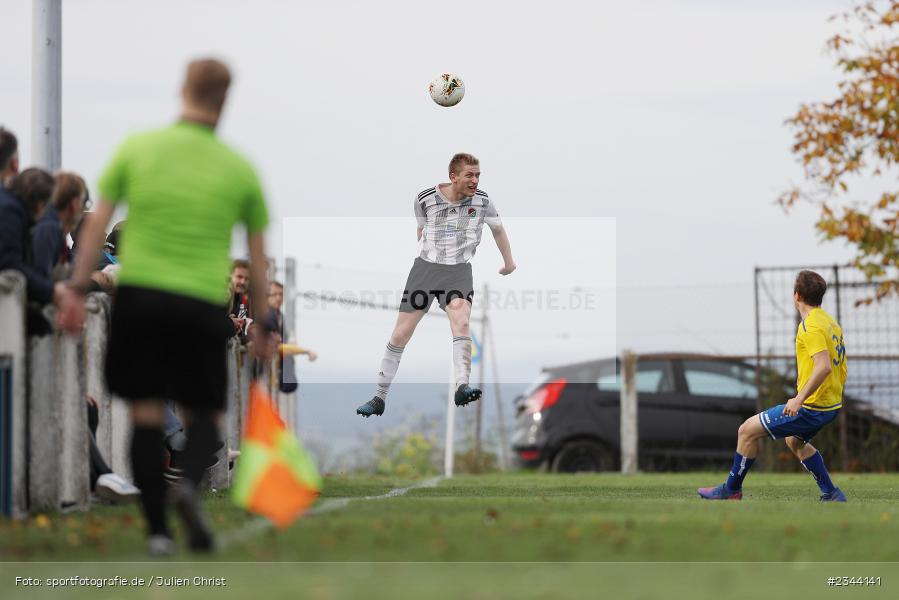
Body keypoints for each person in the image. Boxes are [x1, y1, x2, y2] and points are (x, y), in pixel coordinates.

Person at [58, 58, 274, 555]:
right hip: (199, 301)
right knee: (204, 419)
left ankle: (157, 532)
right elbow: (258, 260)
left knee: (146, 414)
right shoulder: (238, 166)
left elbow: (95, 226)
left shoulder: (139, 148)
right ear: (224, 100)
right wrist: (262, 321)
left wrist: (72, 289)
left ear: (183, 90)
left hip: (141, 298)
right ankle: (189, 492)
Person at [357, 153, 516, 417]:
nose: (475, 180)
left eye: (478, 175)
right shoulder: (425, 198)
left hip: (458, 273)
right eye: (469, 175)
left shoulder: (483, 201)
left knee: (461, 320)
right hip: (426, 271)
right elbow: (420, 225)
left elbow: (498, 230)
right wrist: (426, 239)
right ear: (453, 177)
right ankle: (379, 397)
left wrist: (508, 262)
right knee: (400, 334)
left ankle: (462, 385)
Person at [698, 270, 847, 501]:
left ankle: (731, 490)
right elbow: (839, 366)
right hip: (830, 404)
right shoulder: (830, 323)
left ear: (796, 295)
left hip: (812, 406)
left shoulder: (811, 326)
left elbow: (824, 366)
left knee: (746, 431)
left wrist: (799, 399)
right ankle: (831, 493)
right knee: (794, 441)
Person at [0, 166, 77, 334]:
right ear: (41, 204)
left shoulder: (13, 211)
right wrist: (52, 291)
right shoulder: (13, 214)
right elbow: (10, 263)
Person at [32, 172, 88, 279]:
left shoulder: (52, 227)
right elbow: (41, 278)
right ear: (75, 204)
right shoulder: (50, 229)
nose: (83, 209)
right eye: (83, 203)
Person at [227, 259, 252, 341]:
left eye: (246, 279)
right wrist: (230, 323)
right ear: (230, 275)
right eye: (239, 277)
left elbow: (241, 331)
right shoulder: (222, 295)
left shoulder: (241, 299)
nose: (243, 282)